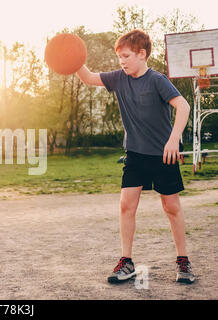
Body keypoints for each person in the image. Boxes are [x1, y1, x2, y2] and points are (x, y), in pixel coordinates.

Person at [76, 29, 195, 284]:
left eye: (126, 55)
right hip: (135, 154)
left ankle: (183, 262)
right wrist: (72, 57)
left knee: (171, 207)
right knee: (126, 205)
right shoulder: (119, 78)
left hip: (163, 154)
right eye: (119, 56)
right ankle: (126, 262)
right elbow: (87, 76)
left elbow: (183, 106)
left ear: (142, 55)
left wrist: (174, 139)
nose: (122, 61)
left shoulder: (157, 80)